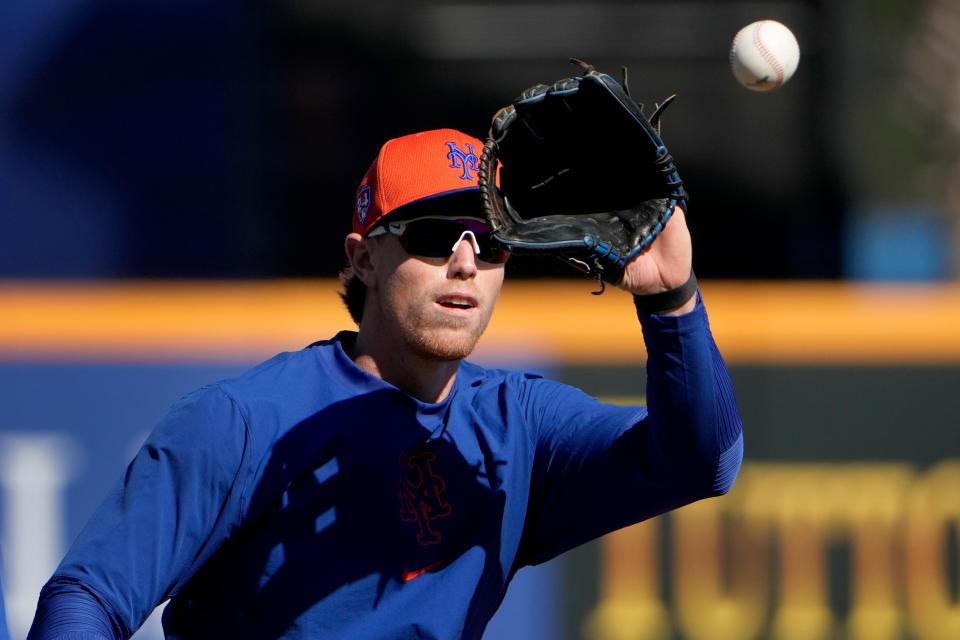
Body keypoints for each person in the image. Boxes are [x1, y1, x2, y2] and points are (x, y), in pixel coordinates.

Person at [28, 129, 743, 640]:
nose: (465, 262)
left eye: (489, 242)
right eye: (435, 234)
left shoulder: (518, 425)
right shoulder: (243, 421)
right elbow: (86, 599)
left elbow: (702, 461)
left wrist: (672, 300)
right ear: (364, 259)